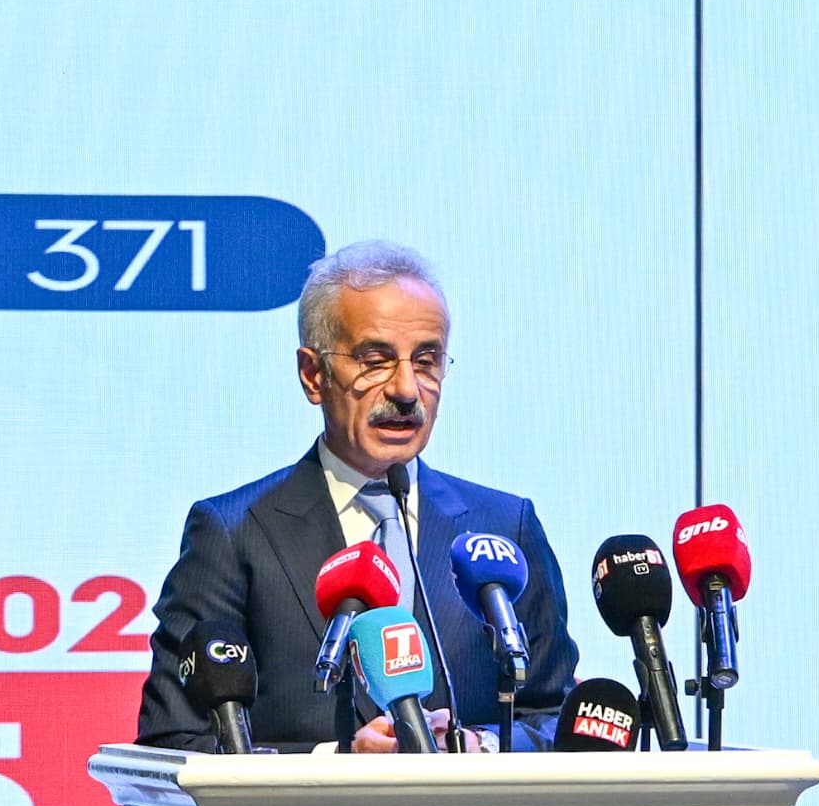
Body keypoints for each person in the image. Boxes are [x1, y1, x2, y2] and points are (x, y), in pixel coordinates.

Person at [136, 238, 576, 752]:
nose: (407, 390)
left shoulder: (503, 527)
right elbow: (175, 740)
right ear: (313, 375)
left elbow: (556, 719)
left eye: (427, 360)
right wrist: (338, 762)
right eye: (375, 360)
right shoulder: (234, 533)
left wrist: (480, 745)